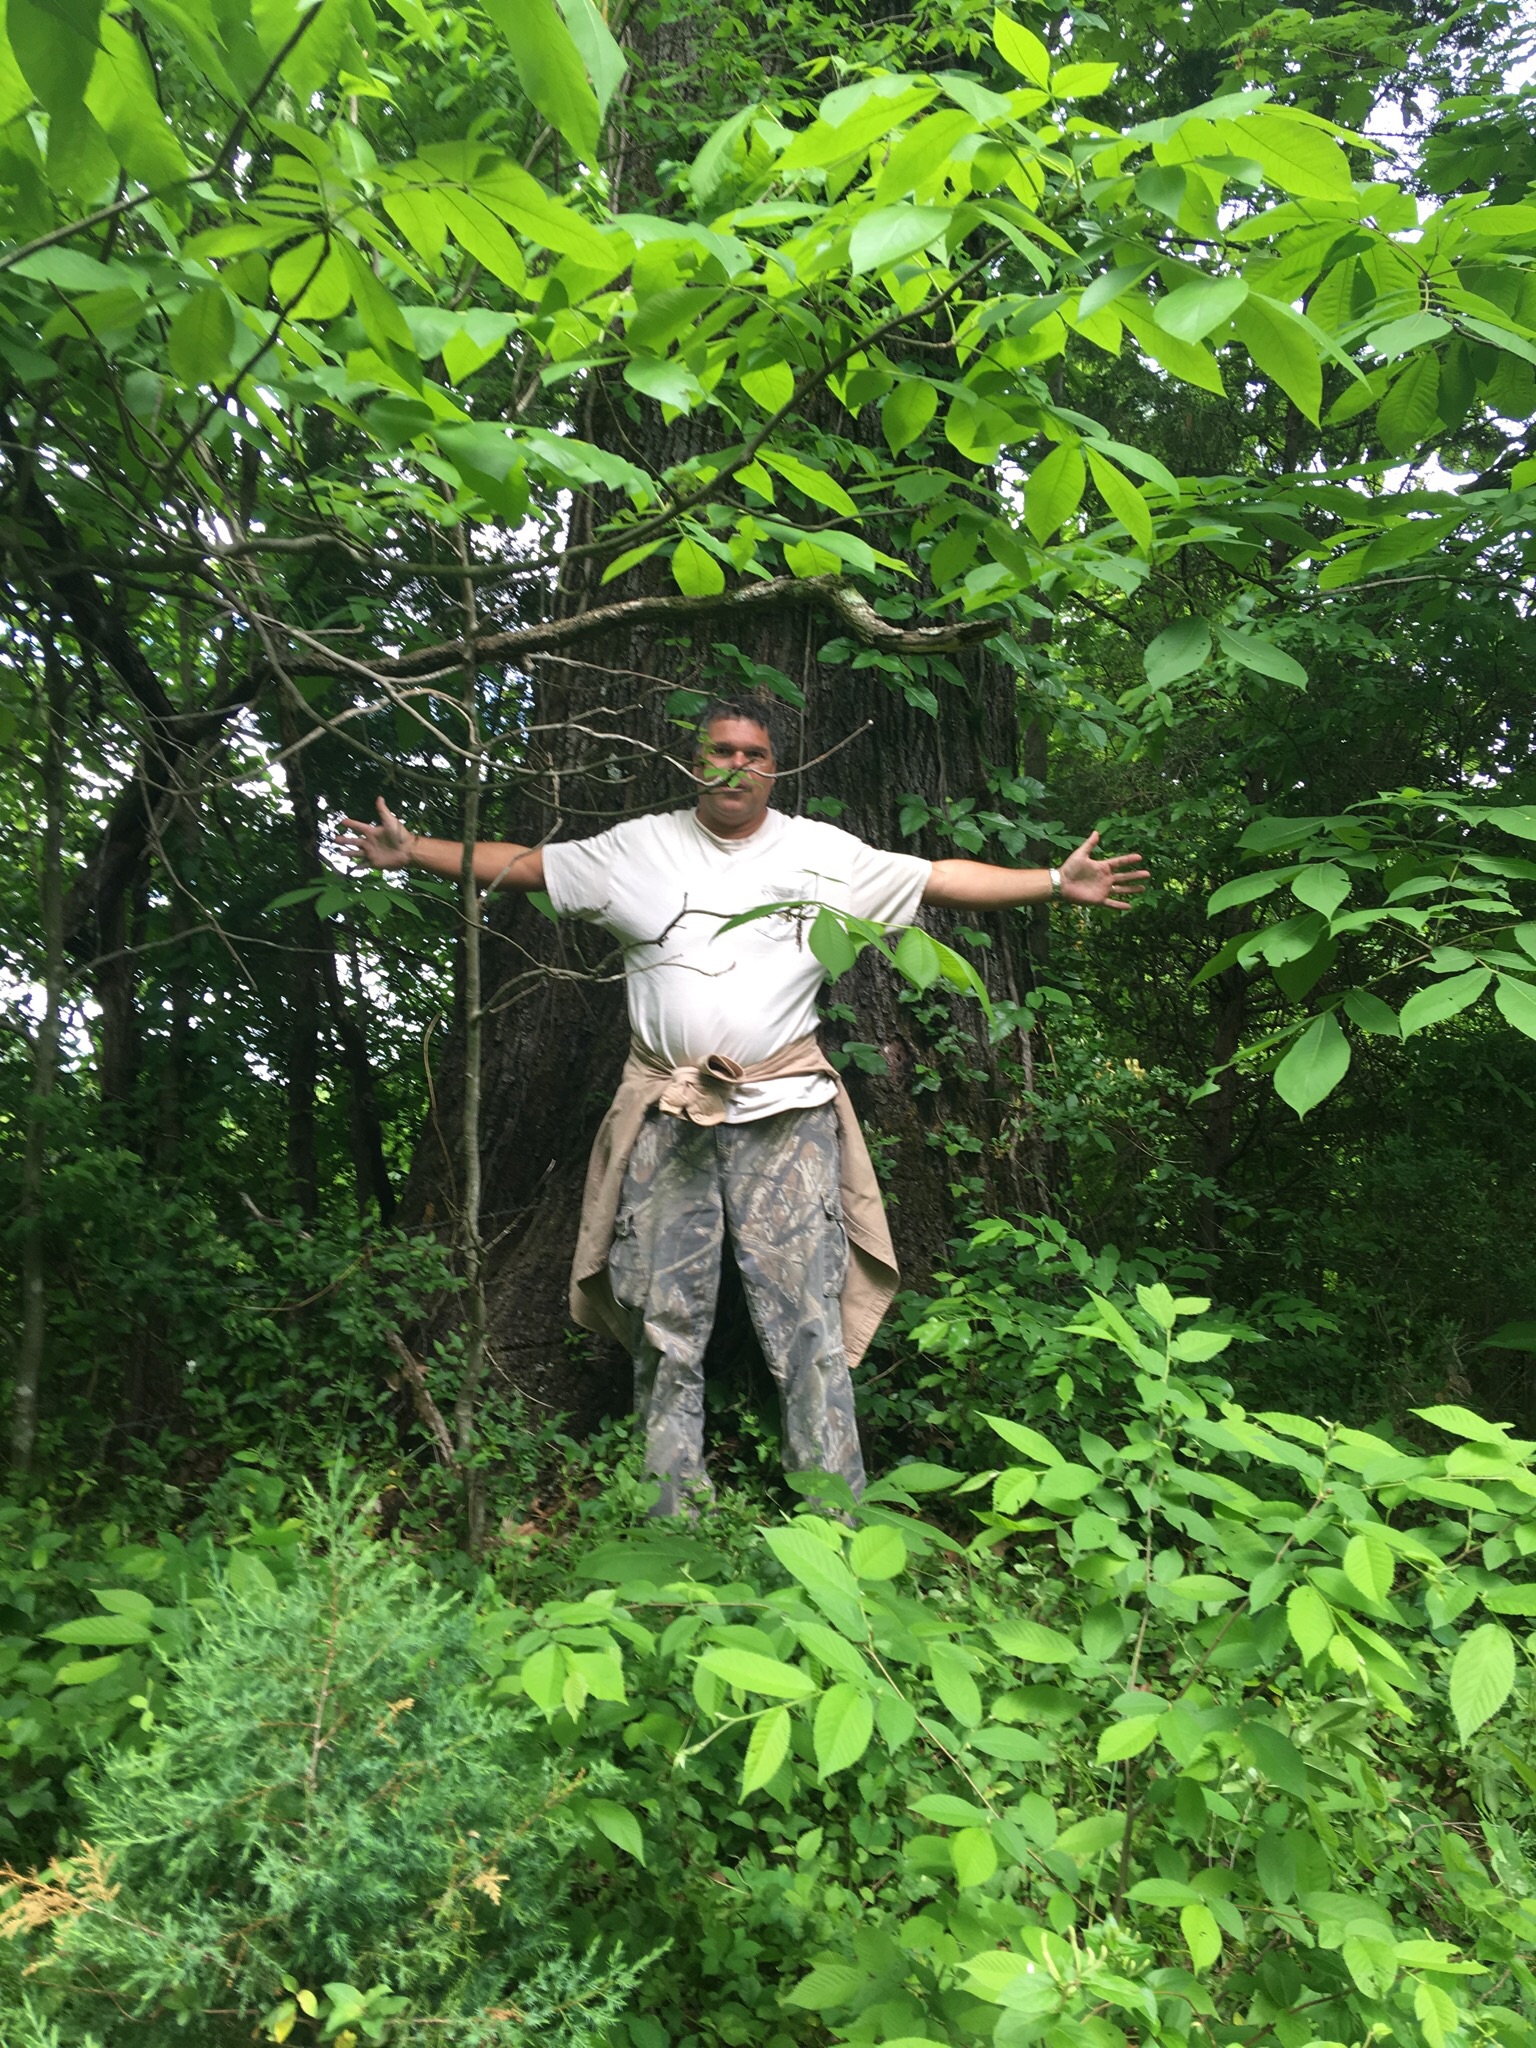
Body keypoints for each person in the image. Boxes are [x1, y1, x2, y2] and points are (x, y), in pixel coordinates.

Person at [338, 699, 1147, 1514]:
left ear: (775, 767)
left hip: (787, 1115)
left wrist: (1054, 882)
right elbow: (527, 866)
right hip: (668, 1115)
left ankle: (834, 1515)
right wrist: (414, 852)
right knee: (664, 1322)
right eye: (720, 750)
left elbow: (938, 878)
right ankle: (672, 1516)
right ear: (695, 762)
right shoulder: (639, 847)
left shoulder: (820, 854)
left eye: (753, 753)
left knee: (808, 1322)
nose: (736, 765)